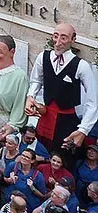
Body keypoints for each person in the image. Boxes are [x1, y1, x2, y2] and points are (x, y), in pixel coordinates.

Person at [26, 23, 98, 152]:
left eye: (63, 38)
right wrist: (30, 96)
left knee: (62, 158)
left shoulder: (81, 66)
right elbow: (36, 81)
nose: (58, 42)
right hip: (45, 119)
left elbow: (93, 101)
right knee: (40, 155)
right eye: (55, 36)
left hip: (67, 123)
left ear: (73, 40)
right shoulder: (43, 57)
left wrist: (83, 129)